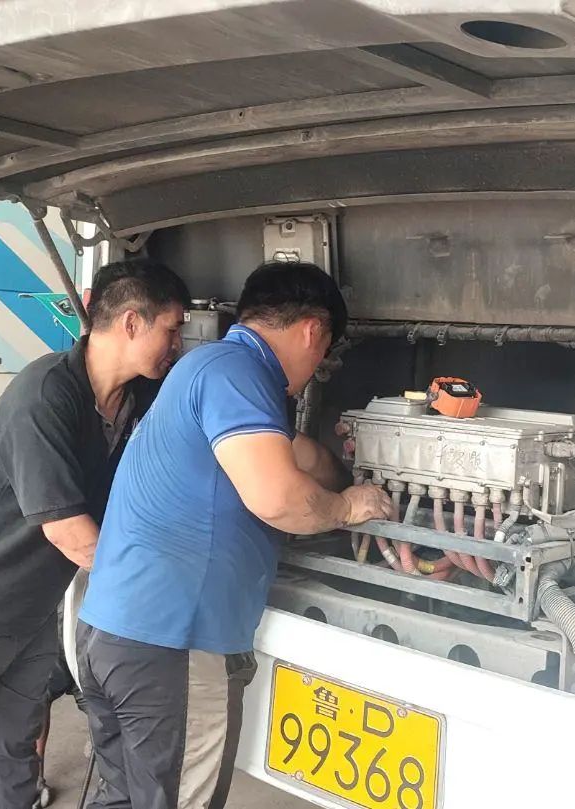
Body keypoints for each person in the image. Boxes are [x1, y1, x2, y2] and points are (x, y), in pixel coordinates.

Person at [76, 260, 394, 809]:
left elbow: (296, 455)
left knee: (123, 799)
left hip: (115, 631)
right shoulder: (239, 374)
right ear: (312, 331)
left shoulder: (210, 367)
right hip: (171, 645)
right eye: (324, 352)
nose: (317, 367)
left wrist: (350, 474)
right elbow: (278, 498)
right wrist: (348, 506)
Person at [0, 260, 190, 809]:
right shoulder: (44, 394)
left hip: (29, 614)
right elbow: (70, 533)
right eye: (172, 328)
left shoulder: (137, 398)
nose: (178, 344)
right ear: (132, 323)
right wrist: (161, 588)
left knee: (11, 764)